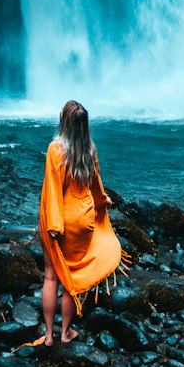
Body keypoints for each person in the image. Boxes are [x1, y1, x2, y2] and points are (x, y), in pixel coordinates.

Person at [38, 99, 124, 345]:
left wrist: (54, 225)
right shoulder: (90, 149)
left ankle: (49, 335)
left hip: (60, 221)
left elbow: (53, 190)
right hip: (83, 221)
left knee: (51, 276)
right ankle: (66, 332)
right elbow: (96, 183)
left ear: (62, 121)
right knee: (70, 281)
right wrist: (103, 201)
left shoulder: (55, 149)